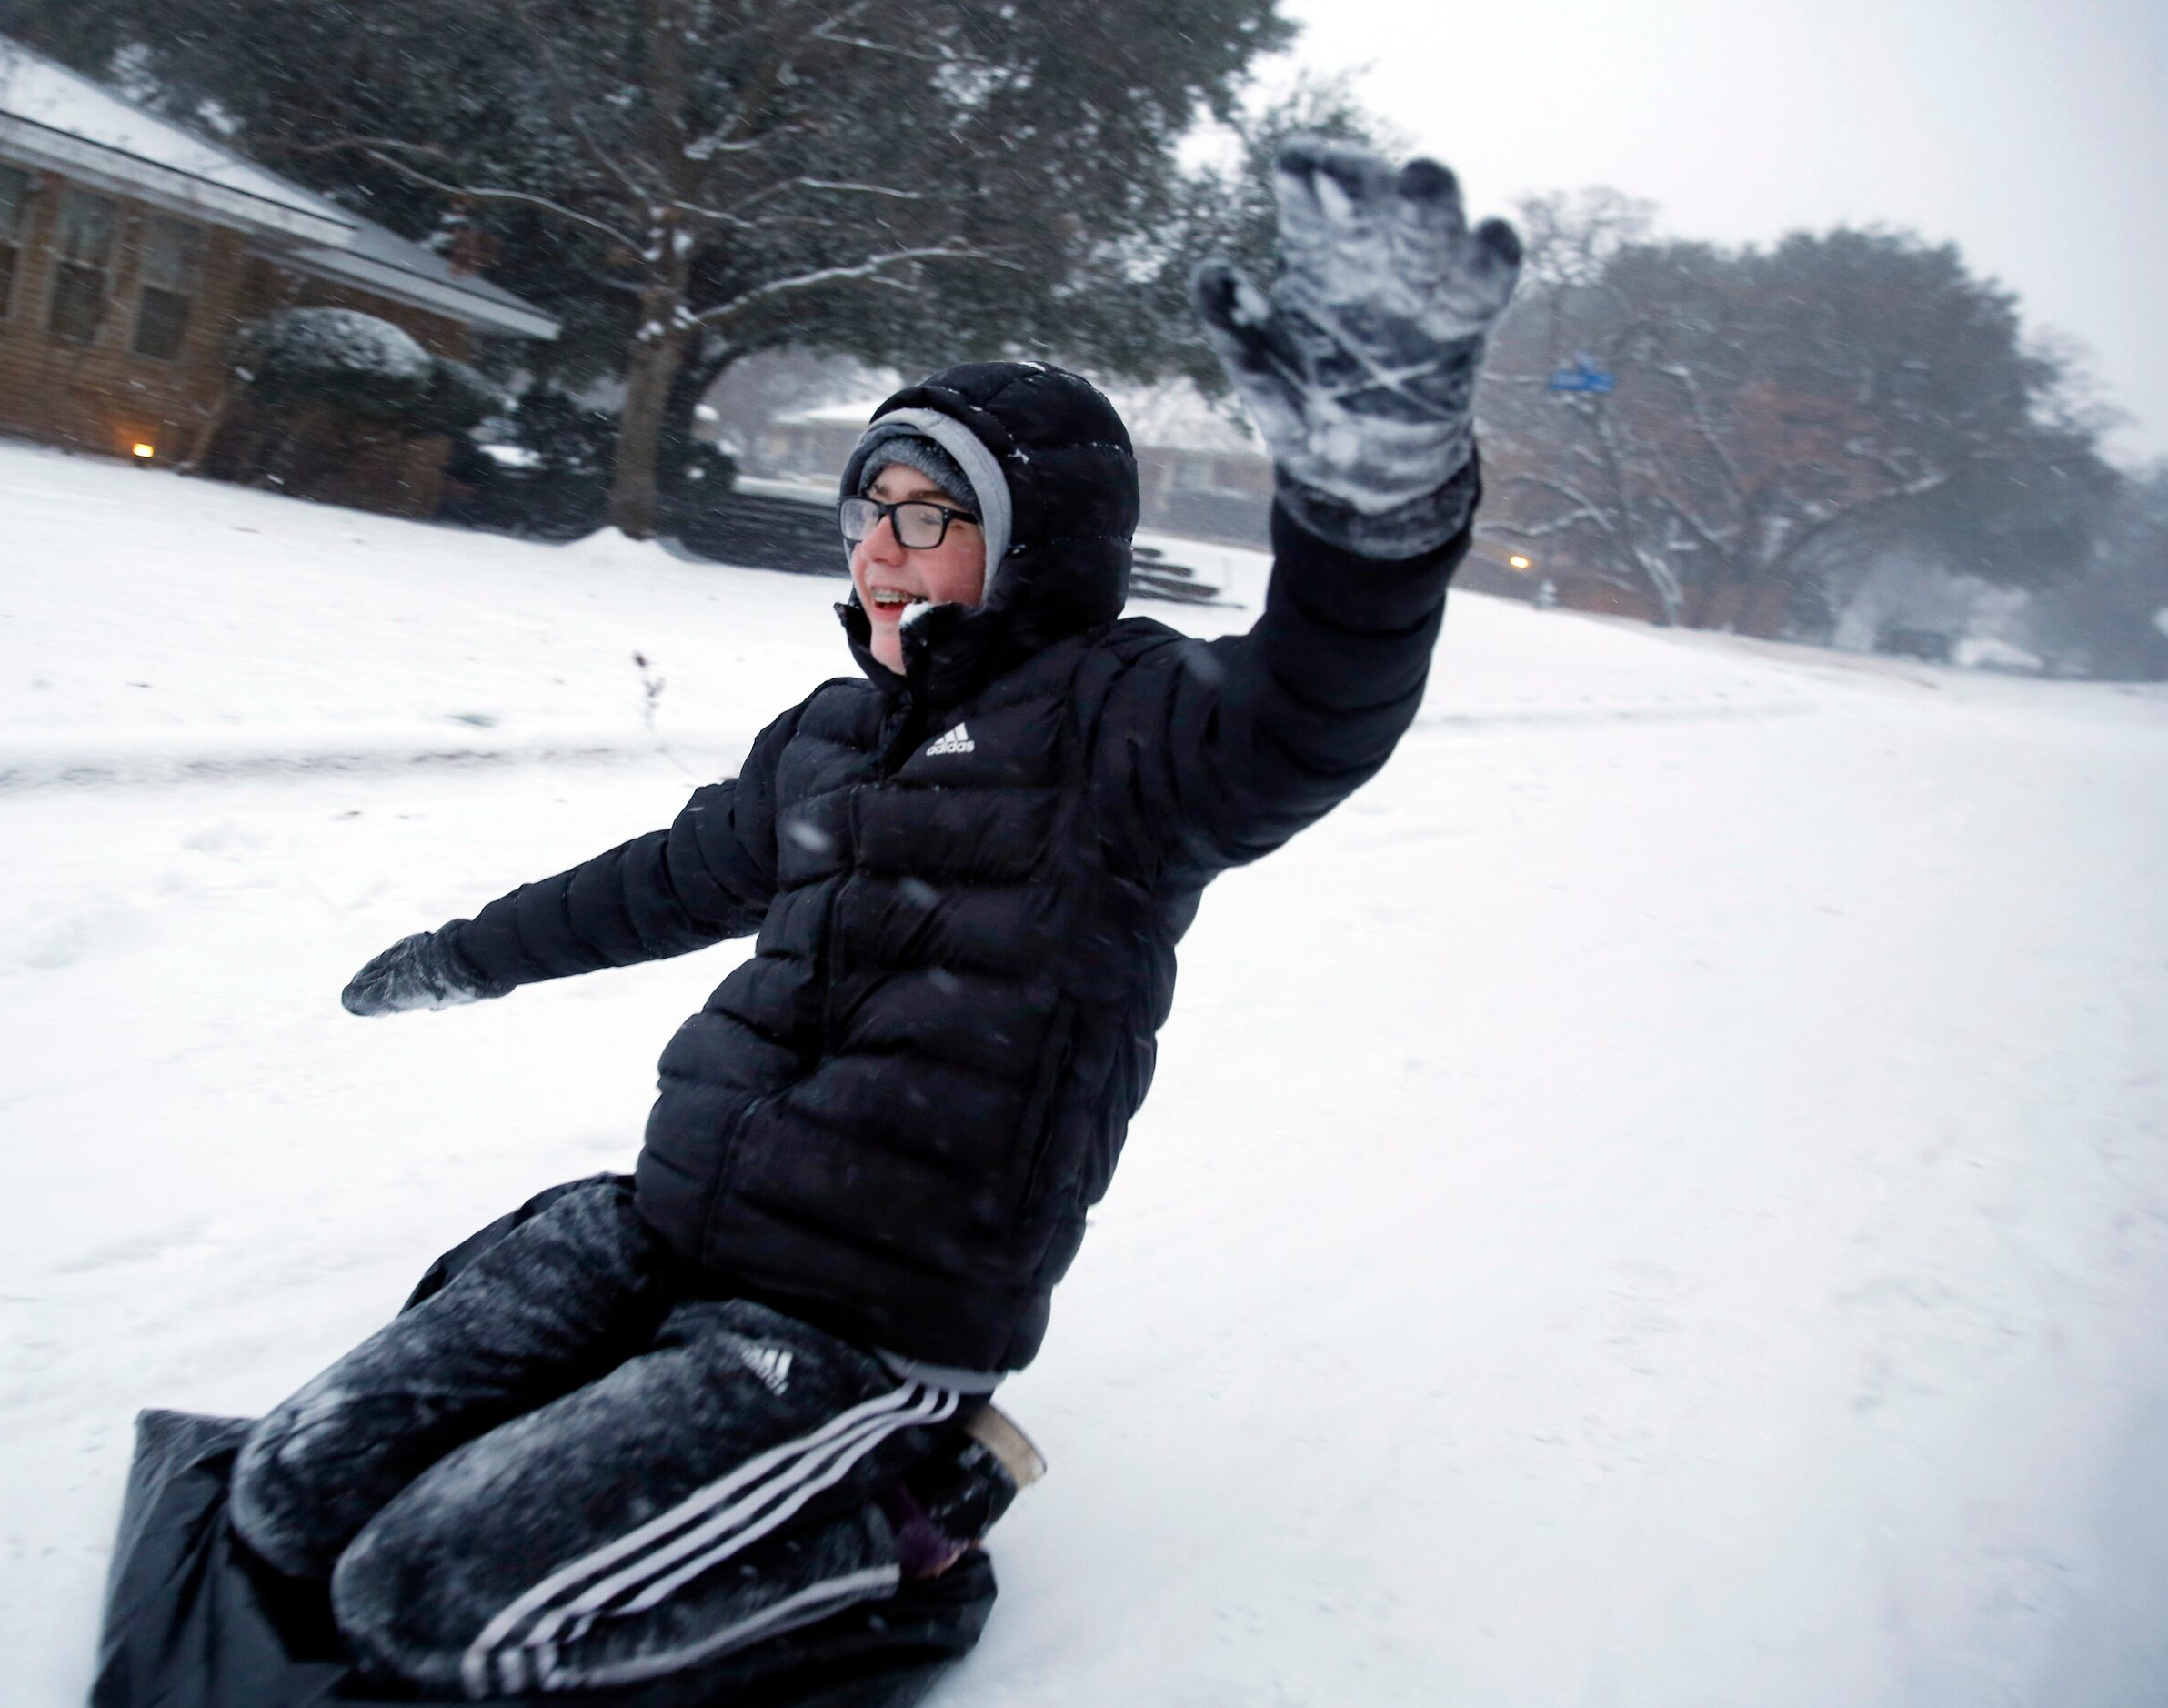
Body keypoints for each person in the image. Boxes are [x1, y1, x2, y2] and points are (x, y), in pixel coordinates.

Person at [225, 138, 1521, 1699]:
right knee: (289, 1495)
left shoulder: (1130, 733)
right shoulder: (829, 734)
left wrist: (1373, 505)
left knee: (429, 1600)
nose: (877, 553)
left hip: (857, 1319)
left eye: (928, 515)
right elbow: (662, 880)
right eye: (867, 510)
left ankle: (909, 1515)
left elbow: (1318, 701)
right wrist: (466, 954)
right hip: (661, 1226)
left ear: (1028, 546)